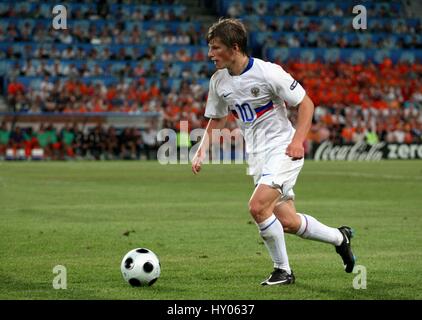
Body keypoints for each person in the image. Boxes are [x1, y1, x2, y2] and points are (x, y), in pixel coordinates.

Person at [192, 18, 355, 286]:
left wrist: (298, 141)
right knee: (288, 221)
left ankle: (283, 271)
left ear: (234, 47)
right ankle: (340, 238)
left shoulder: (268, 73)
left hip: (283, 148)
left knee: (257, 207)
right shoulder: (218, 81)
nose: (210, 54)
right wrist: (201, 151)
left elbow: (306, 104)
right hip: (257, 156)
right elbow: (218, 117)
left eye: (215, 48)